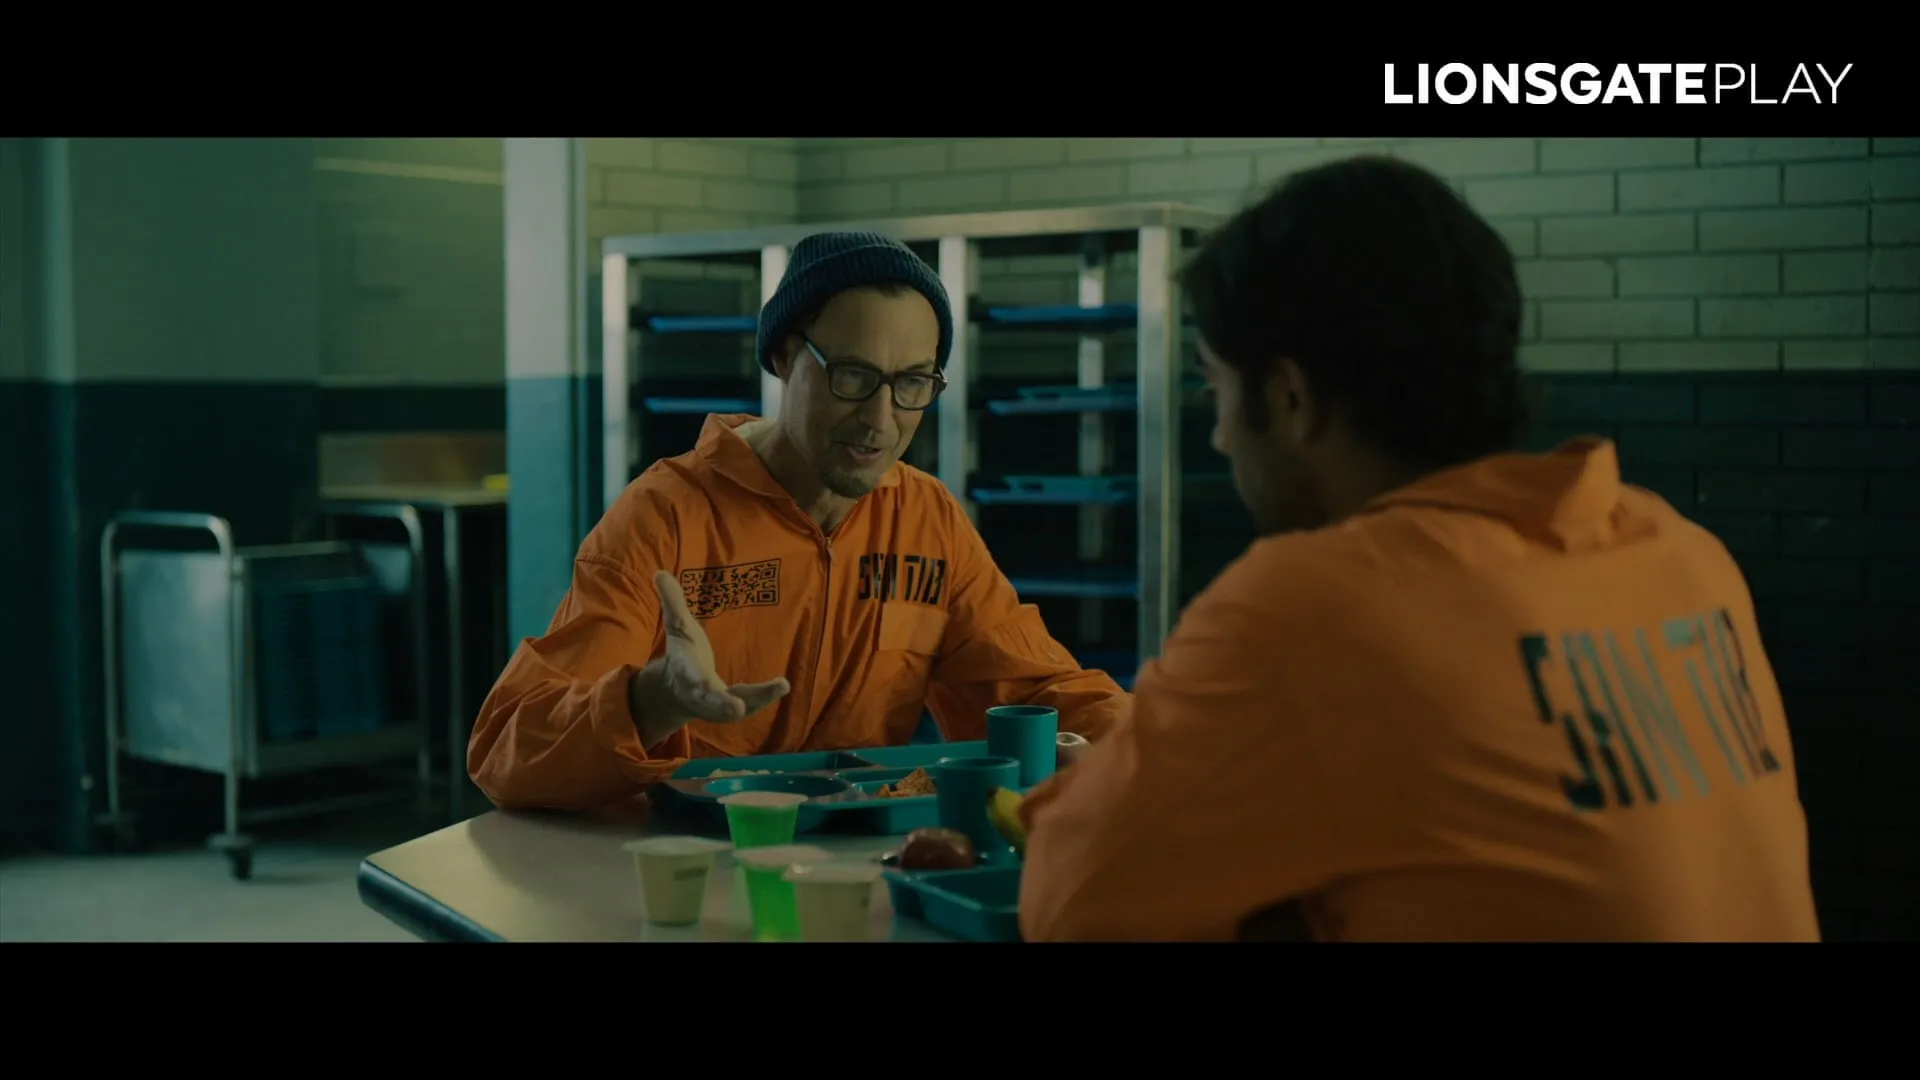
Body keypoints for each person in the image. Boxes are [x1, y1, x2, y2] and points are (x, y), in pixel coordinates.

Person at [1014, 155, 1820, 943]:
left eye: (1216, 388)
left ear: (1291, 399)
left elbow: (1071, 901)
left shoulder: (1313, 607)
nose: (1221, 435)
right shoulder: (1678, 550)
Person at [469, 231, 1127, 812]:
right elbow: (506, 753)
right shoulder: (666, 517)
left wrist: (1149, 739)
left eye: (912, 383)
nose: (880, 420)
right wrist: (652, 699)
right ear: (785, 357)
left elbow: (1038, 688)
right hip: (688, 868)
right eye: (852, 376)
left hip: (859, 870)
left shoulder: (925, 519)